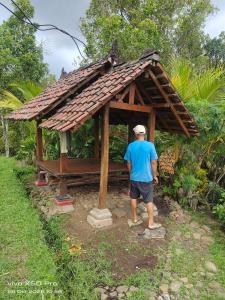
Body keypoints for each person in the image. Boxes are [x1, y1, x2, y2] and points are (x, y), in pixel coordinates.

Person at [124, 124, 161, 229]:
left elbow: (128, 163)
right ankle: (151, 223)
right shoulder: (150, 145)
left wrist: (131, 173)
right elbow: (153, 162)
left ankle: (135, 218)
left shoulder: (131, 146)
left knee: (133, 197)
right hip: (146, 178)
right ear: (144, 134)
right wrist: (155, 175)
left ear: (136, 134)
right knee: (149, 200)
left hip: (134, 177)